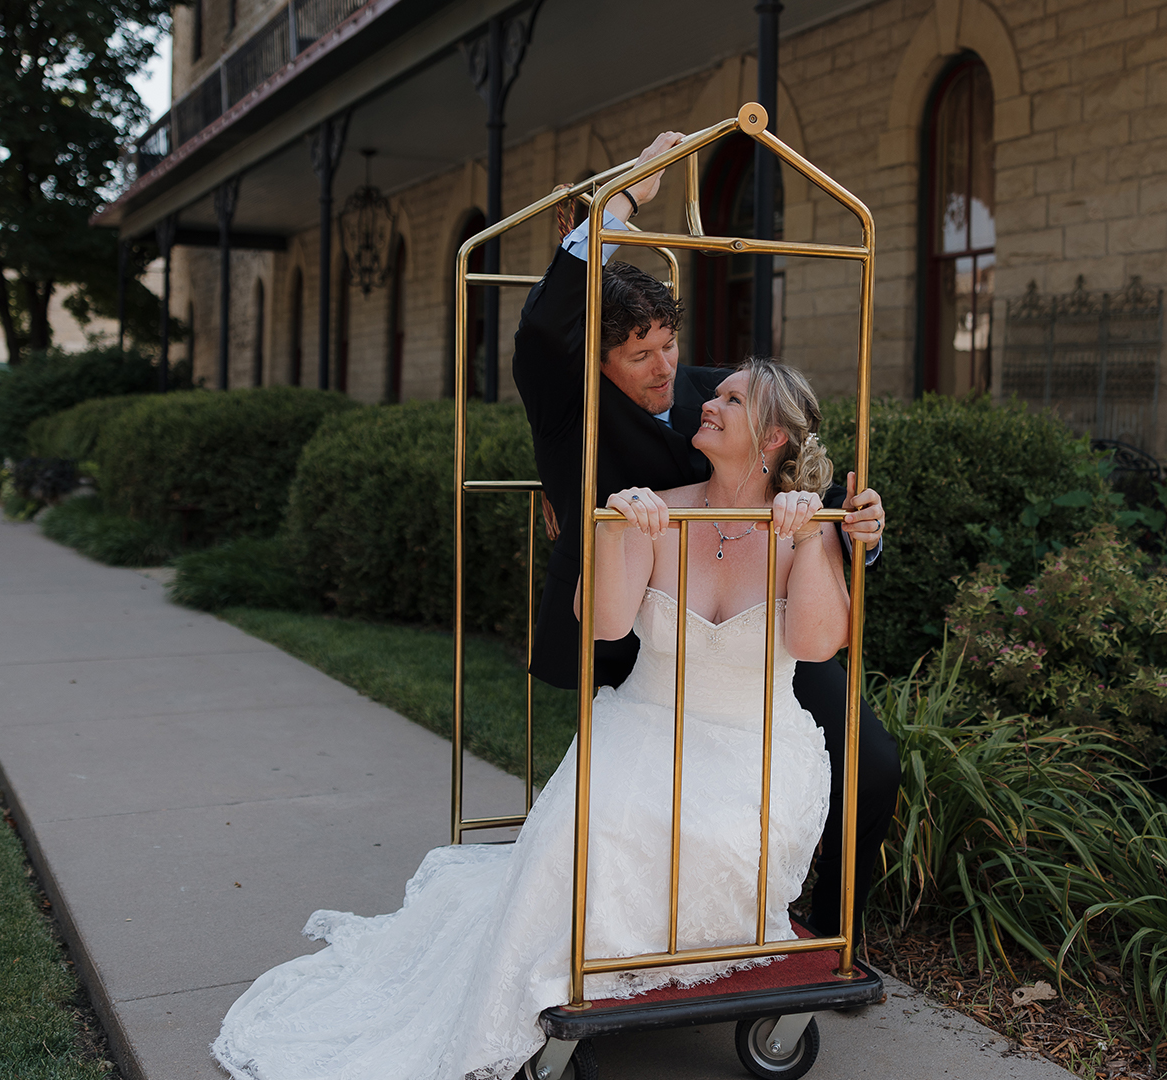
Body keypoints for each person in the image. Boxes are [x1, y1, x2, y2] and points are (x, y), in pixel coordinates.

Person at [212, 357, 862, 1080]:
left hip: (756, 746)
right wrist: (619, 532)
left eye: (731, 400)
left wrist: (809, 540)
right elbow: (605, 625)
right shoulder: (659, 506)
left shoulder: (808, 527)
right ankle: (556, 984)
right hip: (644, 727)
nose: (707, 403)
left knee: (715, 836)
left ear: (772, 436)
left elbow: (813, 644)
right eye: (715, 394)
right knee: (598, 831)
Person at [510, 131, 898, 939]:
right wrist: (625, 198)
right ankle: (635, 938)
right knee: (635, 802)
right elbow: (547, 324)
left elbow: (798, 481)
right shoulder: (565, 399)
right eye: (638, 354)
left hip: (751, 637)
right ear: (599, 358)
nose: (663, 369)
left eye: (669, 344)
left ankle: (833, 936)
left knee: (870, 759)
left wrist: (859, 527)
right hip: (632, 628)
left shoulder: (714, 397)